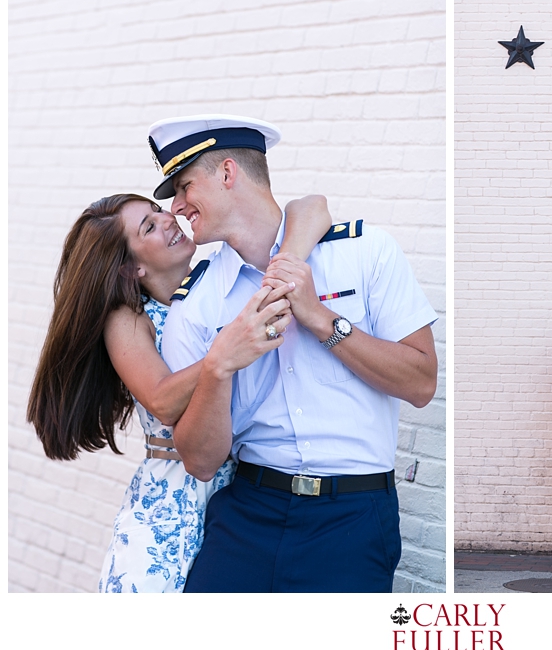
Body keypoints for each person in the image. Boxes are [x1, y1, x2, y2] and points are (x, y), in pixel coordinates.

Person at [148, 114, 439, 593]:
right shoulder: (195, 305)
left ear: (226, 173)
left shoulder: (365, 253)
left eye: (183, 186)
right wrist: (220, 365)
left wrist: (321, 319)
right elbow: (200, 461)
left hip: (352, 519)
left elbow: (422, 383)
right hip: (248, 514)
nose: (177, 206)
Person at [27, 191, 332, 592]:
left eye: (158, 210)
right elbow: (162, 399)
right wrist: (227, 350)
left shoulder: (216, 285)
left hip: (239, 493)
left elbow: (312, 206)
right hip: (170, 506)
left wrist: (285, 266)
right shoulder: (128, 318)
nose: (169, 217)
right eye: (148, 226)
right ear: (131, 267)